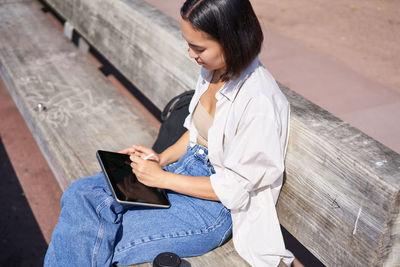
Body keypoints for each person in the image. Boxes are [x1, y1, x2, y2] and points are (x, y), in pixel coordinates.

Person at [44, 0, 294, 266]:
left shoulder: (259, 101)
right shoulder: (214, 69)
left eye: (198, 47)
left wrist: (161, 179)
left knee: (96, 241)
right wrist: (160, 159)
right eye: (188, 44)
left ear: (233, 40)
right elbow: (196, 133)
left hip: (209, 209)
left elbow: (234, 189)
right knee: (80, 193)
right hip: (180, 173)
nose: (190, 54)